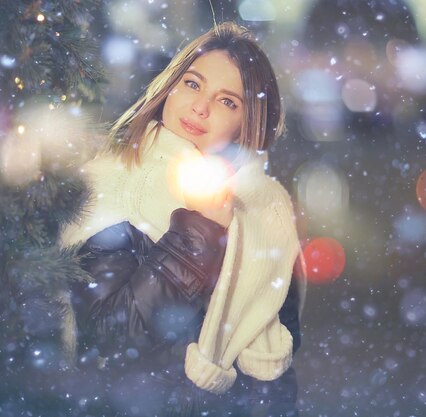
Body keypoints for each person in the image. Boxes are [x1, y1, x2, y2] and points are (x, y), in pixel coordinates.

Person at [58, 22, 304, 416]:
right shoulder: (113, 179)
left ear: (248, 122)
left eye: (228, 102)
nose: (200, 107)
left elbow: (275, 376)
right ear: (169, 87)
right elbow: (110, 337)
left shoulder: (264, 210)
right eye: (192, 84)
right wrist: (199, 231)